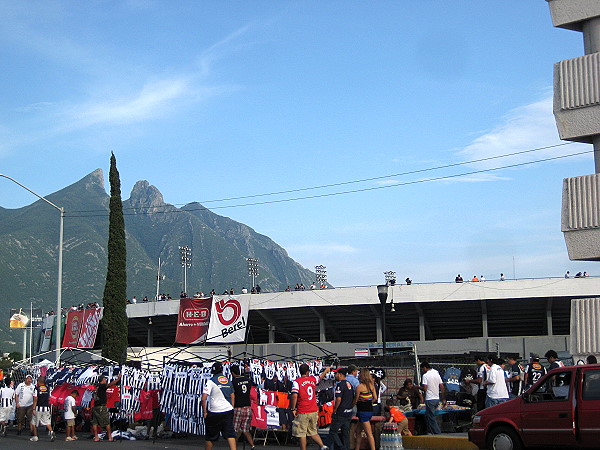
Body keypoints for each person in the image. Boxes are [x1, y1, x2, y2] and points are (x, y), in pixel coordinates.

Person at [289, 363, 331, 450]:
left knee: (302, 433)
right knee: (313, 431)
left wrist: (293, 408)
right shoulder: (313, 379)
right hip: (313, 410)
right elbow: (320, 377)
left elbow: (294, 395)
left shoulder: (297, 382)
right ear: (308, 372)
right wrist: (326, 371)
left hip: (302, 410)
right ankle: (323, 446)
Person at [202, 362, 236, 450]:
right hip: (227, 410)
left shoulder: (211, 381)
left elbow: (204, 398)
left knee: (211, 435)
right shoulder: (228, 380)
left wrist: (205, 411)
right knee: (230, 433)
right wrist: (232, 407)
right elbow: (232, 395)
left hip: (214, 411)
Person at [230, 365, 255, 449]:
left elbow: (232, 395)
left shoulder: (233, 382)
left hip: (238, 407)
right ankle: (252, 445)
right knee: (246, 429)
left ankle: (234, 447)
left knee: (235, 429)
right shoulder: (247, 380)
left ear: (232, 373)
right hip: (248, 407)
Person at [329, 368, 354, 450]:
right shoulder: (349, 384)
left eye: (336, 374)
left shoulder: (340, 385)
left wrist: (335, 409)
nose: (335, 375)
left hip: (340, 412)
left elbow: (338, 399)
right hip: (348, 412)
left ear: (340, 374)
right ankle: (346, 448)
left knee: (333, 432)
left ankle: (341, 447)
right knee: (345, 433)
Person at [353, 368, 377, 450]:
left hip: (362, 411)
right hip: (369, 409)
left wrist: (352, 405)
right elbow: (375, 398)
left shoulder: (359, 387)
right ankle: (357, 448)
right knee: (358, 431)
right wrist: (368, 401)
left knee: (368, 433)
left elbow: (355, 400)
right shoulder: (371, 386)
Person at [92, 374, 121, 441]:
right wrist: (118, 379)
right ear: (103, 380)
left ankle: (96, 437)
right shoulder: (102, 386)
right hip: (101, 406)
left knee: (95, 422)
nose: (106, 381)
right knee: (107, 422)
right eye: (105, 379)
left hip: (95, 406)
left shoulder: (96, 386)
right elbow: (110, 384)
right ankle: (110, 437)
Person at [420, 361, 445, 435]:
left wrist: (418, 387)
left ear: (425, 368)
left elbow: (424, 388)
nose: (422, 371)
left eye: (422, 369)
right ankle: (433, 430)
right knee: (434, 416)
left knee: (431, 417)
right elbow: (442, 386)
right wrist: (443, 398)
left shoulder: (425, 376)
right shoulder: (436, 373)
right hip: (437, 398)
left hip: (430, 398)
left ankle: (437, 432)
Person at [30, 375, 55, 442]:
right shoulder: (48, 388)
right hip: (46, 408)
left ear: (38, 381)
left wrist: (33, 408)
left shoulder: (37, 389)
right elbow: (49, 398)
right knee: (46, 421)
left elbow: (35, 399)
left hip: (38, 407)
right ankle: (51, 432)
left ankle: (35, 436)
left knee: (34, 422)